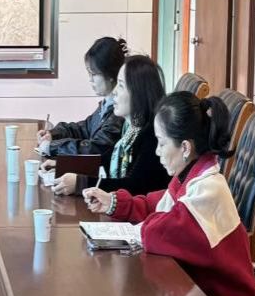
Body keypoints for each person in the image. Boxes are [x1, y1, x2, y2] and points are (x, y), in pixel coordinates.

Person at [83, 92, 255, 296]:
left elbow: (160, 232)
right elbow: (155, 206)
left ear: (185, 147)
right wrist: (113, 202)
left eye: (162, 143)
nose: (157, 152)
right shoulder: (191, 174)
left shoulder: (209, 190)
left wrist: (139, 225)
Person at [47, 55, 170, 197]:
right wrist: (66, 165)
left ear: (138, 92)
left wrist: (81, 183)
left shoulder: (152, 135)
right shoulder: (130, 128)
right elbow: (106, 160)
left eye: (121, 85)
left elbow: (134, 187)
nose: (114, 91)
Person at [37, 36, 126, 159]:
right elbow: (84, 128)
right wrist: (54, 134)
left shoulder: (119, 112)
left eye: (93, 74)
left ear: (110, 74)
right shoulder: (107, 104)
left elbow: (96, 149)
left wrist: (52, 147)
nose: (90, 79)